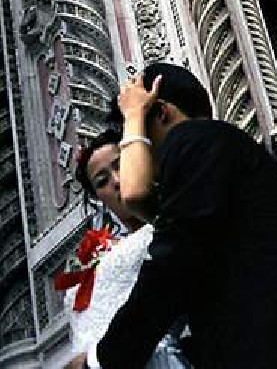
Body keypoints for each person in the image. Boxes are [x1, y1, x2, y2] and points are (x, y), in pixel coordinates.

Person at [67, 63, 277, 369]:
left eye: (134, 140)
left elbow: (171, 266)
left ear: (161, 112)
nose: (138, 154)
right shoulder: (218, 149)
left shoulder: (192, 143)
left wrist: (101, 361)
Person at [59, 130, 192, 368]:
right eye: (102, 181)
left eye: (119, 165)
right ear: (99, 198)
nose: (117, 181)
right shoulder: (105, 252)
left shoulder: (173, 221)